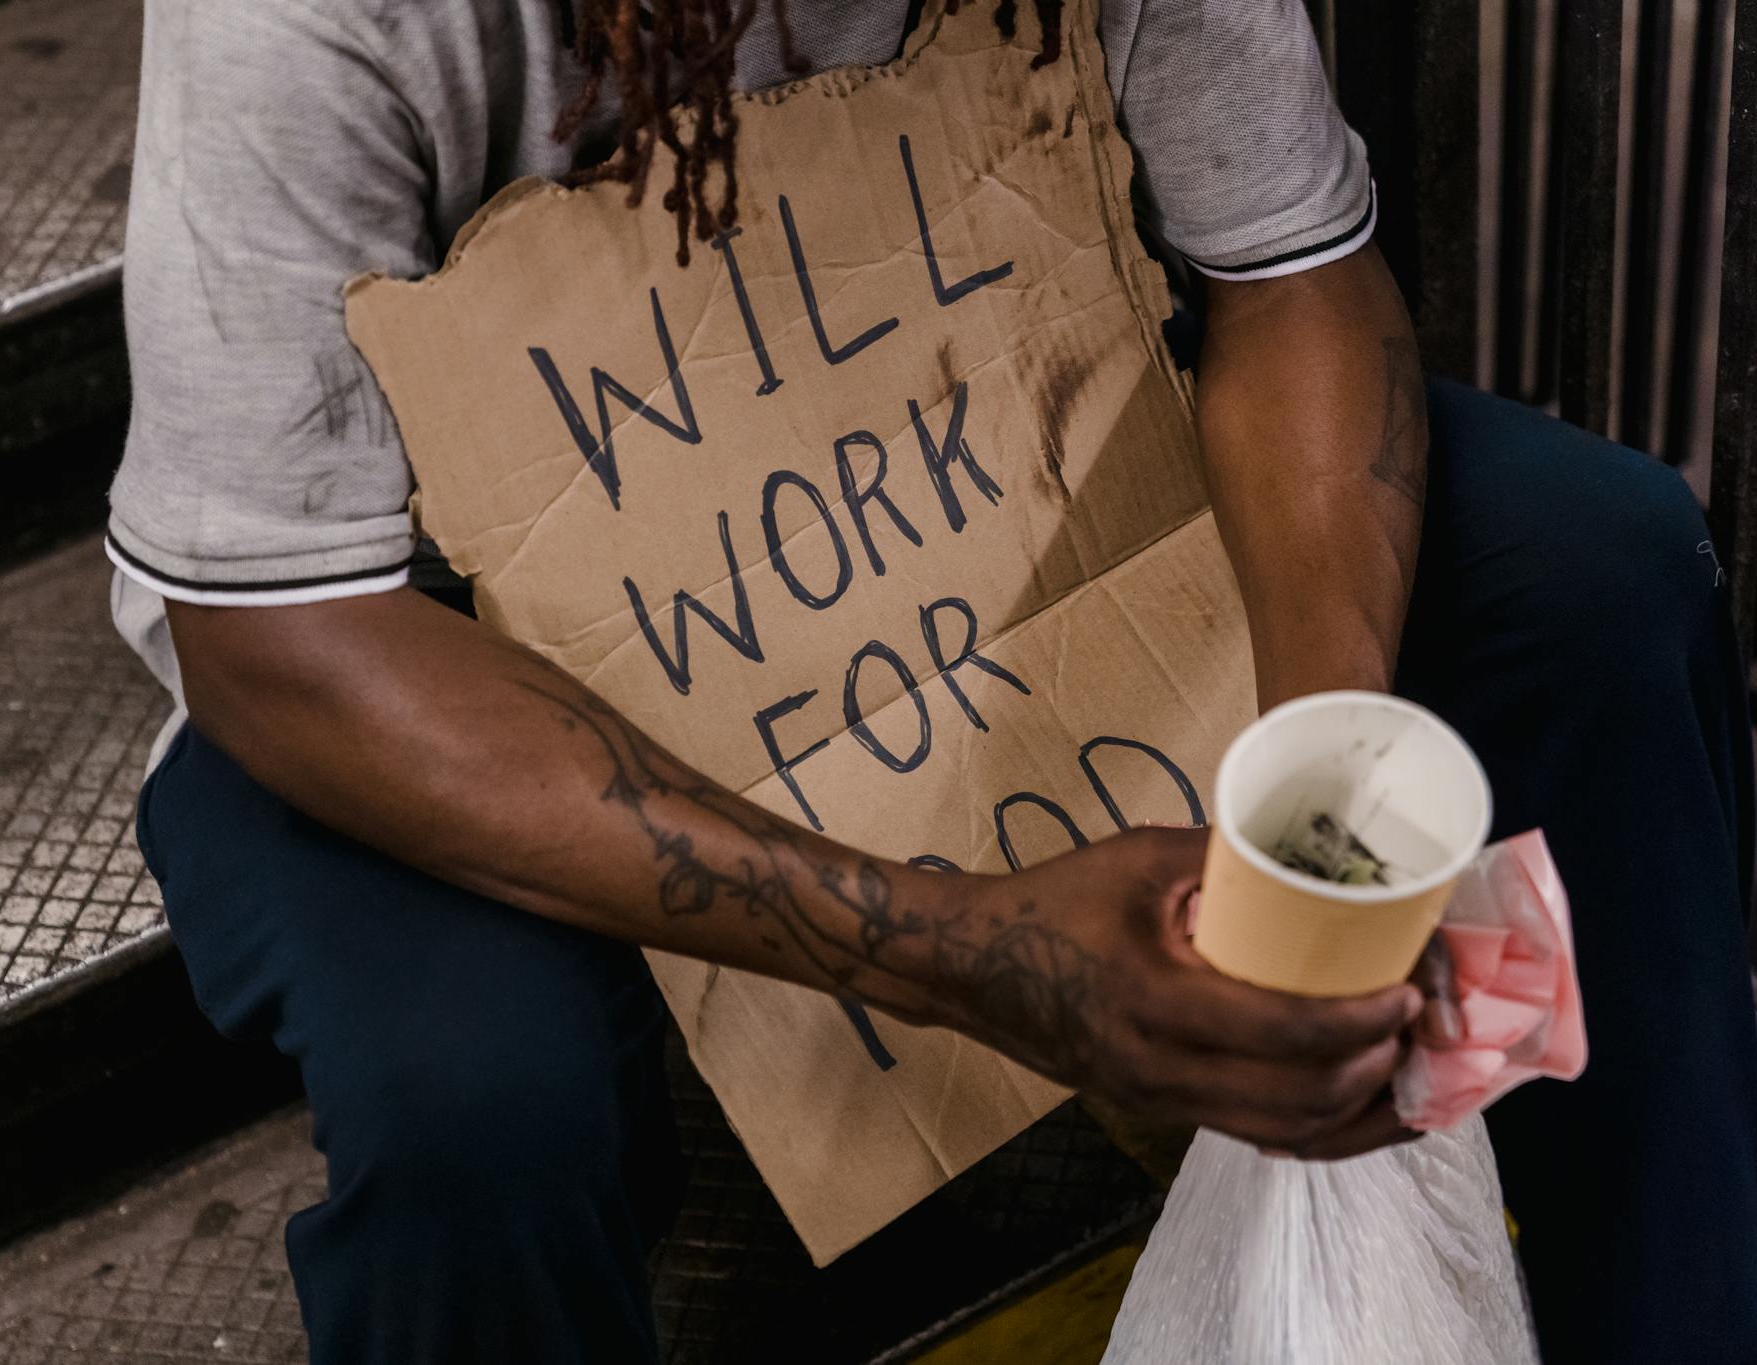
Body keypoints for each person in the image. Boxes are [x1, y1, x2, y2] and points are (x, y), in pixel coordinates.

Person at [105, 1, 1757, 1361]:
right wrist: (968, 952)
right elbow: (283, 636)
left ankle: (1664, 1309)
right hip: (420, 618)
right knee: (473, 1104)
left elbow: (1290, 282)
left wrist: (1310, 796)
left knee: (1601, 571)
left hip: (966, 450)